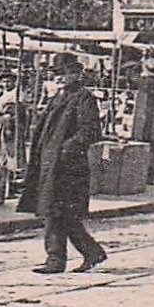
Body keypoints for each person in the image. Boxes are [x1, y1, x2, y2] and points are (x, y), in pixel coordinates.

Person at [19, 53, 107, 275]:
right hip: (50, 164)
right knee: (59, 213)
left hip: (67, 166)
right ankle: (90, 252)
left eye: (63, 73)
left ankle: (56, 260)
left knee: (55, 212)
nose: (58, 78)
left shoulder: (83, 97)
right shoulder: (58, 97)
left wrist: (66, 149)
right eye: (55, 74)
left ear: (76, 74)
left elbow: (91, 131)